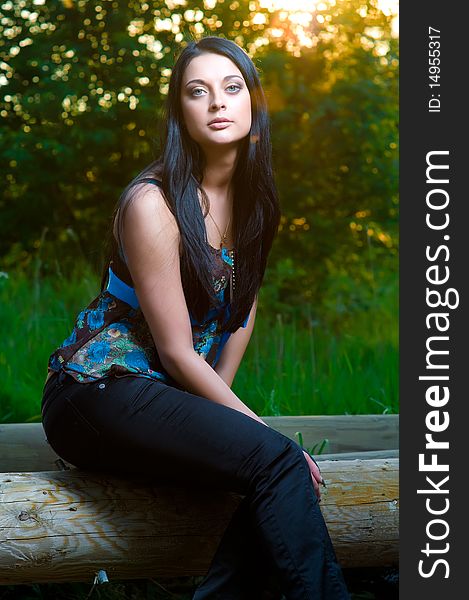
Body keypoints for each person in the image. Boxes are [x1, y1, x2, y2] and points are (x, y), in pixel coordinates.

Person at [41, 36, 350, 599]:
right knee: (279, 461)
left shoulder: (256, 202)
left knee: (257, 480)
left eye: (232, 88)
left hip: (161, 398)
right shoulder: (152, 203)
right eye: (197, 92)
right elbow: (179, 352)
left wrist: (228, 429)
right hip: (94, 394)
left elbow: (243, 310)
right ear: (180, 113)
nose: (217, 103)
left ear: (253, 103)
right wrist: (255, 432)